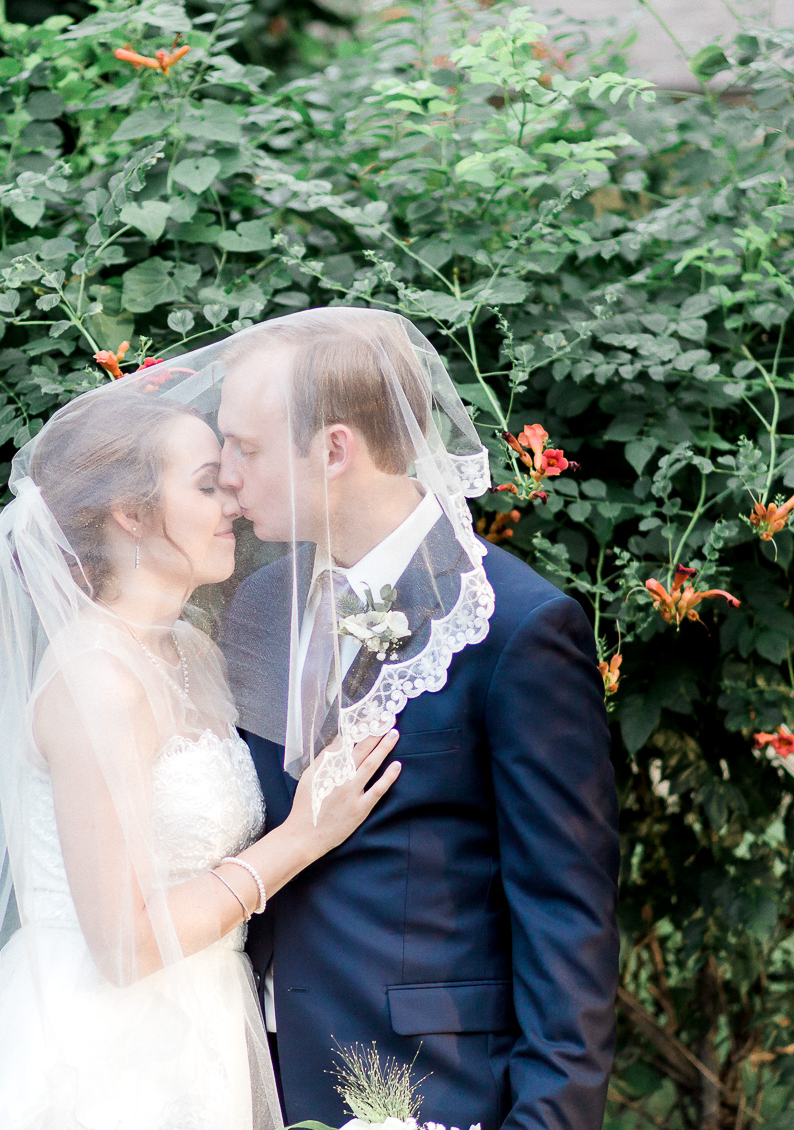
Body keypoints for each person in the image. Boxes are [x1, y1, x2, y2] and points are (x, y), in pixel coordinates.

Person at [0, 386, 401, 1130]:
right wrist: (302, 838)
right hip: (99, 1047)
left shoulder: (191, 649)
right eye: (206, 486)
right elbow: (121, 944)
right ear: (130, 512)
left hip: (207, 1017)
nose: (233, 504)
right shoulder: (97, 679)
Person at [216, 307, 621, 1130]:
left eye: (246, 448)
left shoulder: (514, 628)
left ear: (334, 450)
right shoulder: (257, 607)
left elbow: (566, 917)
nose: (225, 474)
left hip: (431, 1090)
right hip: (242, 1076)